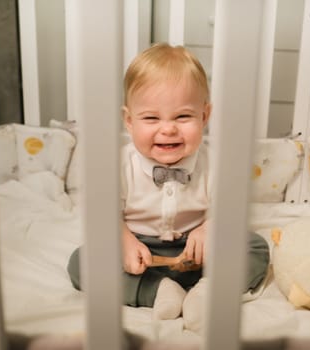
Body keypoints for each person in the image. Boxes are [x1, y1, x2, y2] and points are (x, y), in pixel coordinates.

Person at [67, 43, 269, 332]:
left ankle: (209, 290)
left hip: (198, 253)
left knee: (256, 247)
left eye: (182, 116)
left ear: (205, 116)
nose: (168, 129)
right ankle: (157, 291)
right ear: (128, 121)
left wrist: (210, 228)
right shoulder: (118, 164)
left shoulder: (216, 163)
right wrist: (124, 241)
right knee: (81, 262)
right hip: (141, 256)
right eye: (151, 118)